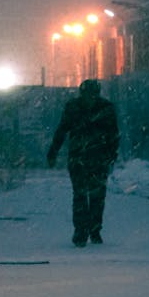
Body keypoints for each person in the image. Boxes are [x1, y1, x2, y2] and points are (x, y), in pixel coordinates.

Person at [47, 78, 120, 247]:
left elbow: (62, 130)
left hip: (82, 156)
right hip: (94, 157)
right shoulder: (105, 108)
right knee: (94, 195)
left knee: (83, 195)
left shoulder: (75, 107)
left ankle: (84, 231)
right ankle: (91, 230)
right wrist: (111, 152)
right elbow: (113, 134)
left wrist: (53, 151)